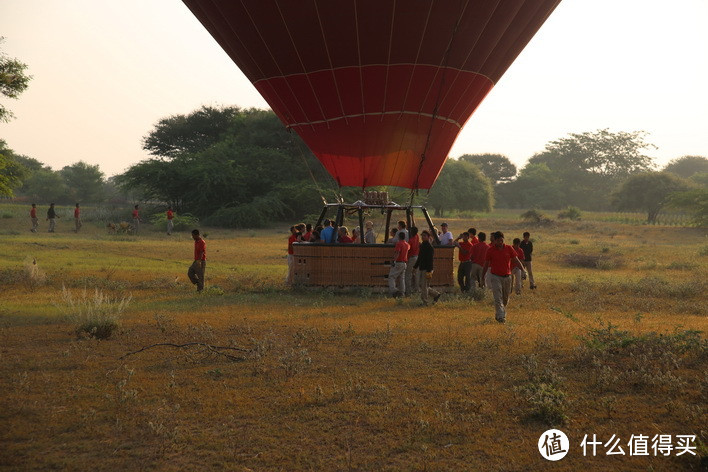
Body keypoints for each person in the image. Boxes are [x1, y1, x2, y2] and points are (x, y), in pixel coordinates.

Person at [481, 231, 526, 323]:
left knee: (505, 299)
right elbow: (486, 265)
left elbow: (516, 261)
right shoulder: (490, 250)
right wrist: (482, 277)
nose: (500, 242)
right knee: (498, 297)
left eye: (501, 240)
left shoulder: (509, 248)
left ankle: (499, 314)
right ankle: (501, 317)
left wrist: (523, 271)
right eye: (498, 240)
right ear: (495, 240)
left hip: (507, 277)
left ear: (503, 239)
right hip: (495, 277)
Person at [413, 230, 441, 305]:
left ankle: (425, 302)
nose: (423, 237)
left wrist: (429, 270)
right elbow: (419, 257)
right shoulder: (422, 245)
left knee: (424, 286)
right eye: (422, 236)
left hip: (427, 268)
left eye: (424, 236)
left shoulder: (429, 247)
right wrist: (415, 267)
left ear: (428, 237)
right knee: (423, 285)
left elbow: (430, 260)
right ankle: (436, 294)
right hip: (422, 267)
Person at [388, 231, 409, 297]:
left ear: (399, 237)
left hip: (398, 262)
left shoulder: (399, 244)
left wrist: (393, 260)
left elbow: (397, 252)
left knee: (391, 276)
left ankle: (394, 290)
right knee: (401, 278)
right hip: (404, 263)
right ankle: (402, 292)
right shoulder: (407, 244)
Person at [404, 226, 420, 296]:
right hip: (417, 257)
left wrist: (406, 260)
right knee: (416, 274)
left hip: (411, 258)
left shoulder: (410, 241)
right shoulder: (417, 237)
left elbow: (408, 251)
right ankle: (417, 290)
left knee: (408, 274)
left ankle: (408, 291)